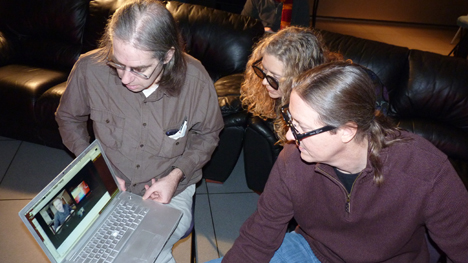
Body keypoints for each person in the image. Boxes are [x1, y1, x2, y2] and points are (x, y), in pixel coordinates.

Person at [207, 62, 468, 262]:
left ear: (346, 131)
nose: (288, 135)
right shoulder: (293, 158)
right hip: (314, 251)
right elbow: (260, 232)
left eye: (300, 127)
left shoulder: (425, 170)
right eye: (290, 121)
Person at [55, 0, 224, 262]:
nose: (124, 78)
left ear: (167, 56)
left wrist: (176, 176)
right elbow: (68, 117)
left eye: (139, 69)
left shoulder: (195, 78)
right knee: (73, 251)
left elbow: (208, 134)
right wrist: (98, 167)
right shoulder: (90, 68)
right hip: (106, 183)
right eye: (118, 64)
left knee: (142, 254)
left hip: (172, 189)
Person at [241, 26, 340, 144]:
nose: (264, 82)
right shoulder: (281, 93)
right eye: (264, 69)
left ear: (299, 76)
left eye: (275, 77)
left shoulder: (320, 115)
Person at [241, 0, 310, 32]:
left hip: (286, 44)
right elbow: (242, 24)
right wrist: (261, 29)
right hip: (260, 41)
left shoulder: (300, 2)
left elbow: (303, 31)